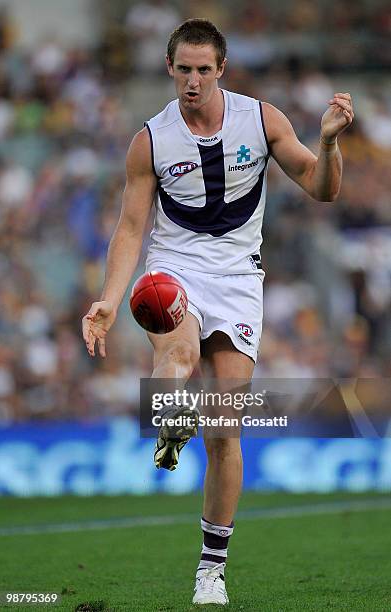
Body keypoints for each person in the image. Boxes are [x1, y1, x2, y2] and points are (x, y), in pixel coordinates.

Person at [82, 18, 354, 607]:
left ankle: (212, 569)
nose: (194, 81)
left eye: (205, 70)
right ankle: (170, 416)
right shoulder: (150, 141)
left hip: (237, 276)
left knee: (226, 431)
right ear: (170, 69)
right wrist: (108, 297)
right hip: (173, 263)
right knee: (176, 350)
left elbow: (322, 188)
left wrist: (329, 141)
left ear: (221, 70)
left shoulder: (262, 120)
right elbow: (131, 227)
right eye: (185, 69)